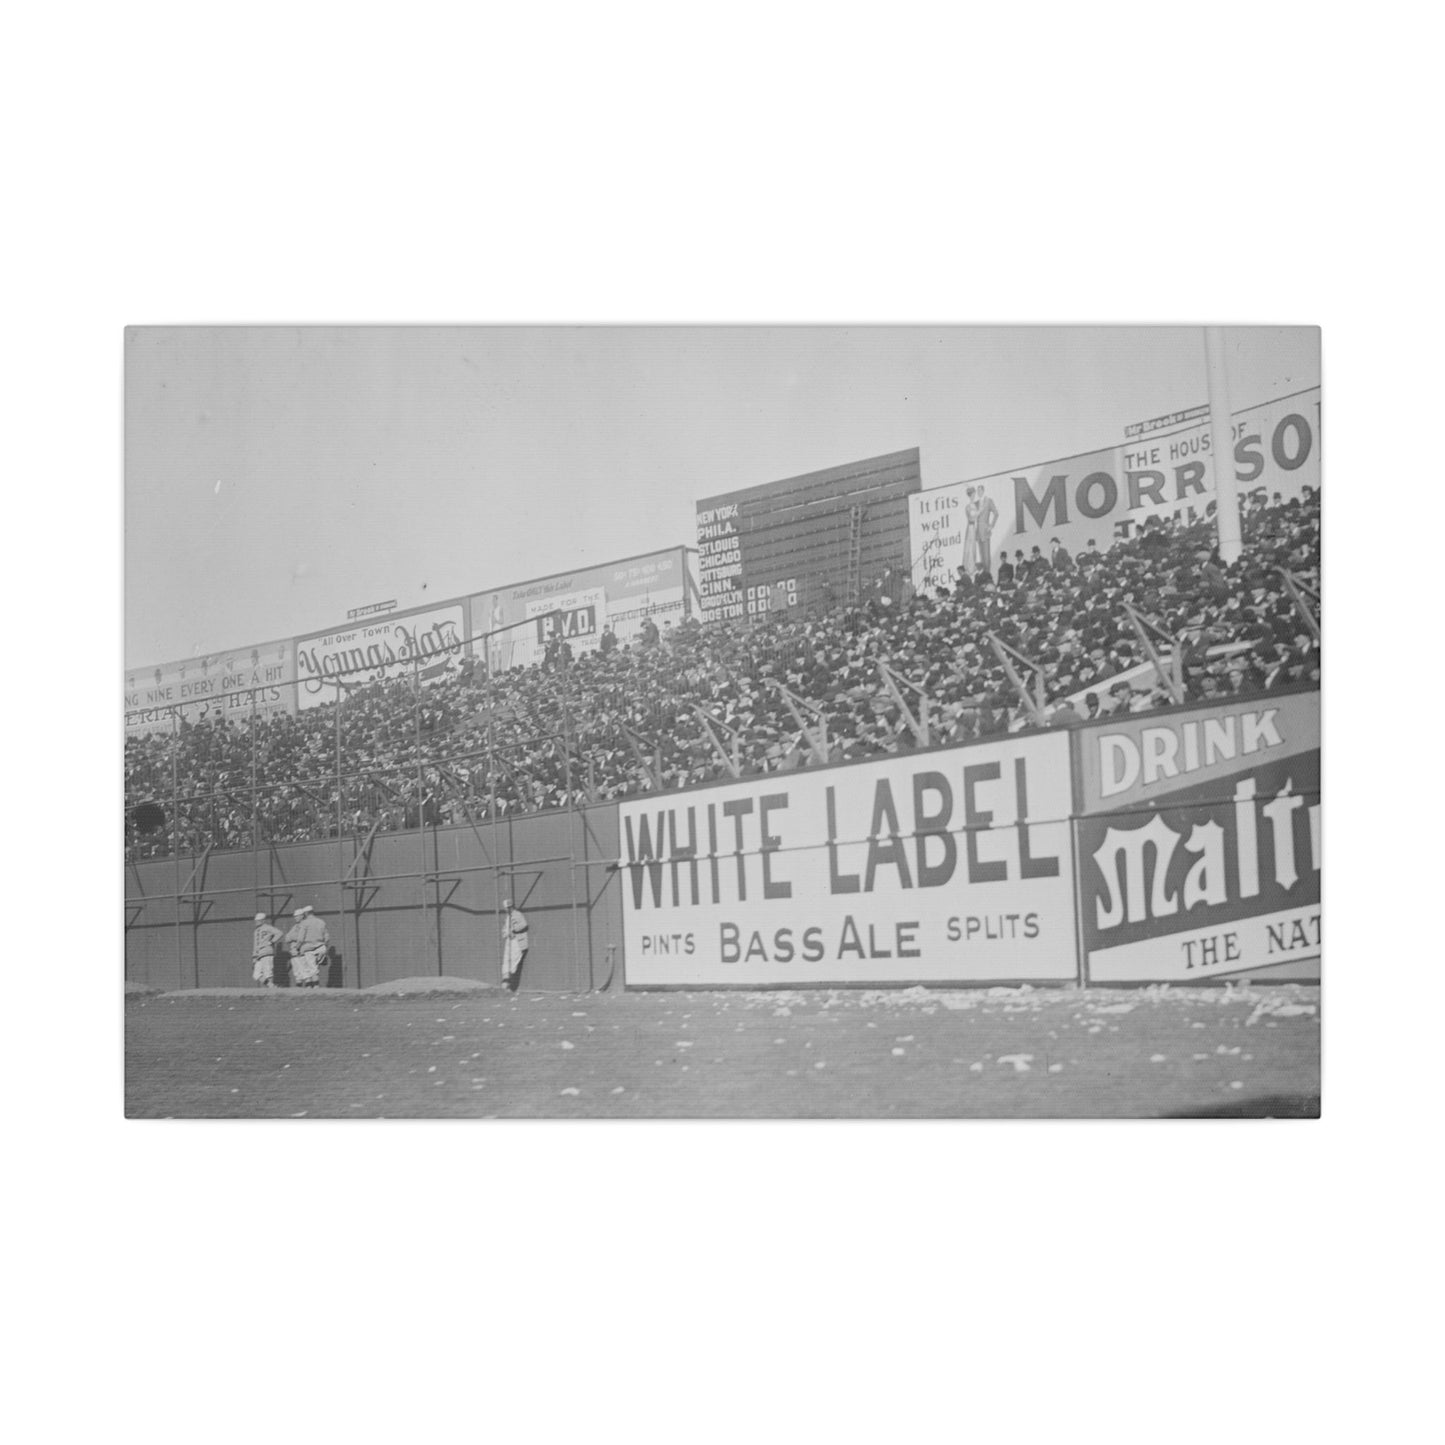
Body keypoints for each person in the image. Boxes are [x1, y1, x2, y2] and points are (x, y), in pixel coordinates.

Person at [285, 904, 331, 988]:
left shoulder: (305, 923)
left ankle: (315, 987)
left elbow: (300, 939)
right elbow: (327, 937)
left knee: (312, 970)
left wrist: (297, 948)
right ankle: (321, 956)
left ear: (305, 913)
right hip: (320, 946)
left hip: (308, 948)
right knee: (314, 967)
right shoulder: (321, 921)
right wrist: (325, 947)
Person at [500, 897, 529, 991]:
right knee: (506, 961)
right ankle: (505, 984)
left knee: (513, 962)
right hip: (509, 941)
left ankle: (510, 986)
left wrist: (514, 930)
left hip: (517, 941)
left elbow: (524, 924)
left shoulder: (517, 914)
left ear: (510, 907)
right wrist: (505, 932)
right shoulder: (508, 916)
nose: (506, 909)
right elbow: (505, 928)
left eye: (507, 907)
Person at [251, 911, 282, 988]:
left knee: (268, 972)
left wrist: (271, 941)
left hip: (267, 951)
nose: (256, 922)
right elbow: (255, 944)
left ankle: (271, 989)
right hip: (259, 954)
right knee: (256, 975)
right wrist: (254, 956)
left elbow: (279, 933)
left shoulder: (268, 927)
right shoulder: (256, 931)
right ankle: (272, 986)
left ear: (263, 920)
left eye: (258, 920)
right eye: (256, 920)